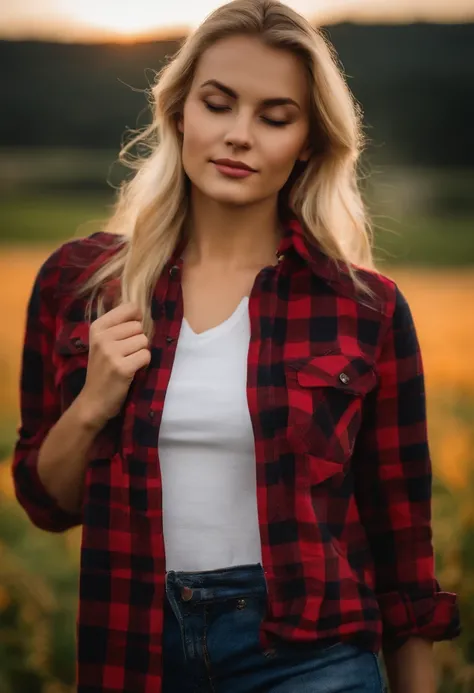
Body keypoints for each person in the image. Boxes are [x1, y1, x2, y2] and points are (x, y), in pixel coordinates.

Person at [12, 1, 460, 691]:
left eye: (275, 117)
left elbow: (403, 550)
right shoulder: (81, 284)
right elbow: (47, 503)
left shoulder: (364, 308)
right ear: (179, 112)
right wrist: (93, 402)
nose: (238, 136)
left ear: (309, 140)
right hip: (134, 647)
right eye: (218, 105)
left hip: (312, 653)